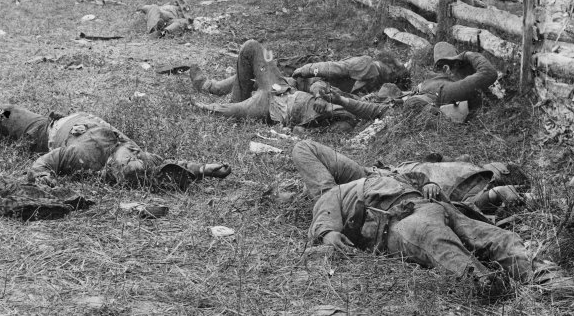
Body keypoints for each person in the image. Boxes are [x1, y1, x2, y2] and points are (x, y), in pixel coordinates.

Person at [291, 139, 574, 297]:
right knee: (433, 238)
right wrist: (328, 232)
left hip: (435, 204)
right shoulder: (336, 194)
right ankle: (485, 282)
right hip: (395, 223)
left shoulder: (382, 174)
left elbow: (414, 175)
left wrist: (426, 183)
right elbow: (325, 209)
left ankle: (554, 283)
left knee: (494, 237)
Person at [0, 104, 231, 189]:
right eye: (135, 156)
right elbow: (169, 165)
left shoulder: (83, 156)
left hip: (45, 130)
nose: (134, 153)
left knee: (5, 112)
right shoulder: (135, 155)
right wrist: (205, 169)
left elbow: (44, 162)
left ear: (113, 167)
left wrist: (43, 177)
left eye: (130, 159)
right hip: (73, 119)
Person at [291, 140, 527, 217]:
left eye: (501, 164)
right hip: (375, 173)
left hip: (382, 186)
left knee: (304, 148)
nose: (495, 162)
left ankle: (329, 206)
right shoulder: (467, 166)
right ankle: (330, 200)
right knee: (306, 153)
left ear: (502, 173)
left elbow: (470, 209)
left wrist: (502, 193)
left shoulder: (478, 187)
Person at [189, 39, 360, 129]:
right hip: (287, 87)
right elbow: (319, 80)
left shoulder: (356, 98)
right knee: (255, 59)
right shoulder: (357, 78)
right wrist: (317, 89)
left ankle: (215, 90)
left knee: (252, 49)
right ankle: (213, 87)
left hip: (281, 98)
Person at [320, 42, 498, 123]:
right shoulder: (448, 88)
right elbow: (489, 73)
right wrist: (467, 55)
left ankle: (339, 101)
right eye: (463, 67)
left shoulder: (430, 85)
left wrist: (342, 101)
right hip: (400, 112)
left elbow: (380, 111)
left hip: (392, 113)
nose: (467, 72)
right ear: (447, 69)